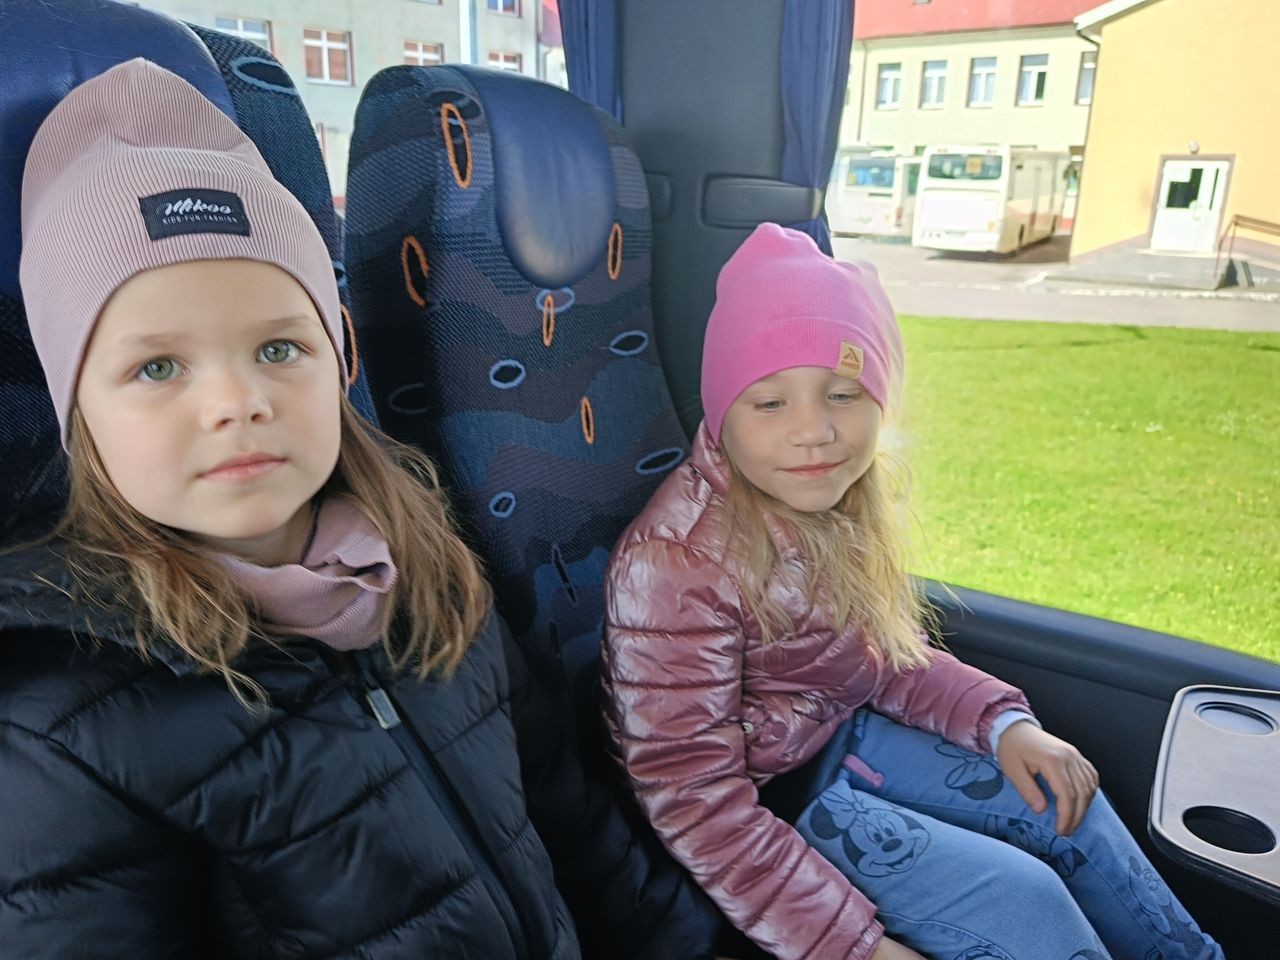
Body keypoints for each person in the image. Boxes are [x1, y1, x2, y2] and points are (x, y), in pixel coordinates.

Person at [0, 57, 588, 959]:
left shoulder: (427, 566)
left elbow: (575, 822)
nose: (236, 403)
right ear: (79, 413)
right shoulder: (64, 721)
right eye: (157, 367)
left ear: (339, 360)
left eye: (279, 349)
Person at [601, 223, 1225, 960]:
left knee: (1067, 809)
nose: (814, 431)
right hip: (768, 808)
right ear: (721, 410)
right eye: (770, 403)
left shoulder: (832, 507)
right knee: (1025, 901)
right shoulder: (675, 564)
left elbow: (882, 659)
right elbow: (691, 796)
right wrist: (857, 948)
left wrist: (1004, 725)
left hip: (840, 741)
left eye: (843, 394)